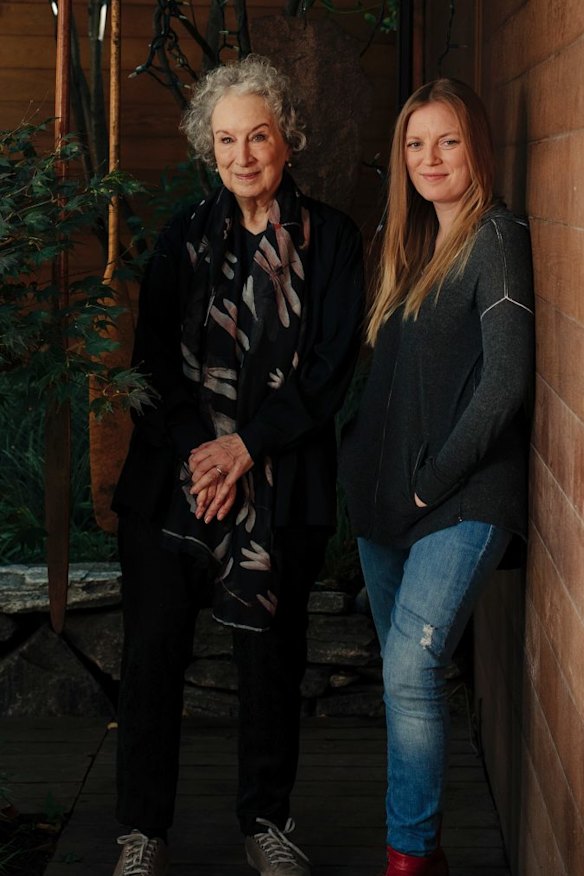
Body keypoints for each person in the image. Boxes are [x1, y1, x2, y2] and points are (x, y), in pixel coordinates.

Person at [110, 54, 364, 876]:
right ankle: (142, 833)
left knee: (272, 662)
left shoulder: (332, 240)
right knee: (151, 661)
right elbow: (151, 367)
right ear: (207, 148)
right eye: (226, 139)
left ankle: (267, 825)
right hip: (176, 485)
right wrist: (204, 456)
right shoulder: (182, 238)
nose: (243, 154)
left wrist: (245, 448)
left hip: (278, 486)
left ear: (288, 137)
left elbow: (329, 371)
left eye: (258, 135)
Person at [339, 78, 534, 876]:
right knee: (403, 681)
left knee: (412, 668)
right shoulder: (410, 246)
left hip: (461, 500)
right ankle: (421, 847)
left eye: (446, 140)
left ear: (476, 147)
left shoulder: (496, 235)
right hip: (385, 506)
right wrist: (374, 477)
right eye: (416, 145)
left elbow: (506, 383)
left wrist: (431, 483)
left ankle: (409, 859)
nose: (430, 159)